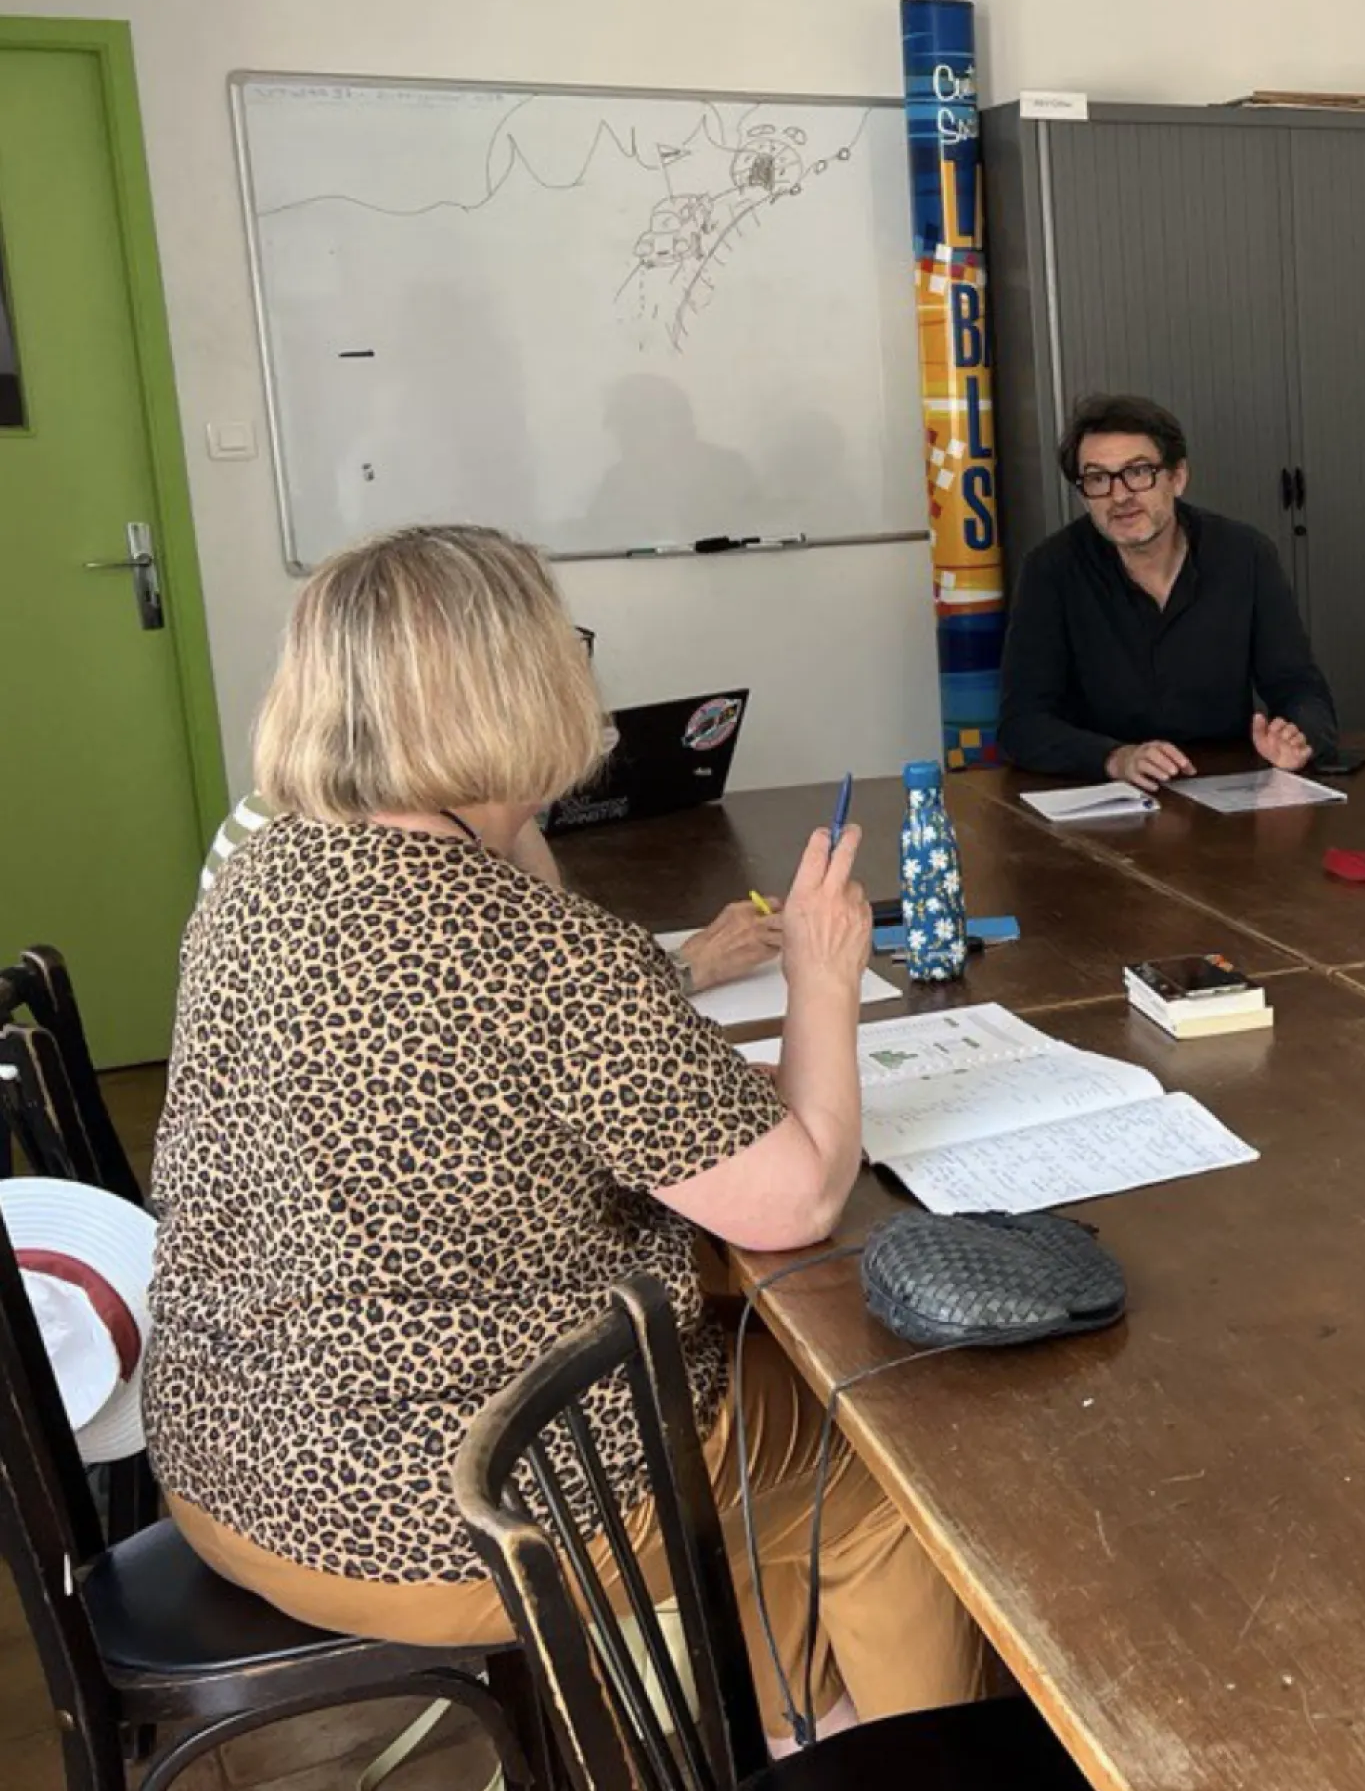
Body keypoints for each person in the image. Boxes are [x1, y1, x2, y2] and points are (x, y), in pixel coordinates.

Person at [147, 525, 990, 1748]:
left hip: (226, 1465)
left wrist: (503, 809)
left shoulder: (262, 873)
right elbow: (800, 1196)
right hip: (441, 1520)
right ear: (526, 685)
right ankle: (910, 1762)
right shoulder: (540, 954)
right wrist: (822, 973)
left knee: (762, 1391)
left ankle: (780, 1731)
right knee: (881, 1450)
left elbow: (499, 1046)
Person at [196, 624, 781, 996]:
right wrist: (689, 968)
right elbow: (553, 1000)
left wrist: (514, 793)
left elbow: (550, 942)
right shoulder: (397, 862)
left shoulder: (378, 799)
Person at [998, 392, 1338, 789]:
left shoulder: (1244, 555)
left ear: (1177, 478)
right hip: (1100, 793)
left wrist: (1297, 739)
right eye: (1098, 479)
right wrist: (1115, 758)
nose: (1120, 496)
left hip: (1224, 785)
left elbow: (1299, 687)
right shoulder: (1051, 569)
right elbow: (1021, 723)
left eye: (1139, 472)